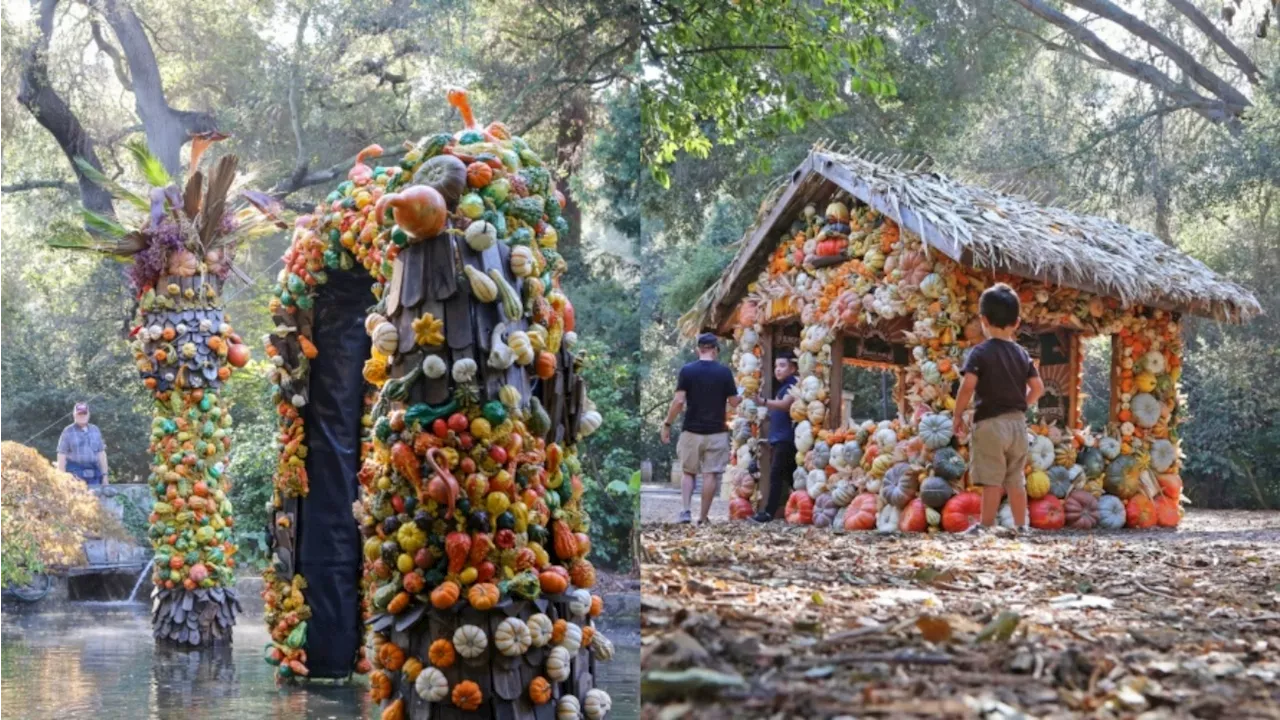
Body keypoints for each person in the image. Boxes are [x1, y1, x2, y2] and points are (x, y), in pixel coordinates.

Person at [952, 284, 1043, 534]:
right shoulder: (1023, 354)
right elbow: (1038, 387)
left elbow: (968, 385)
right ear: (1017, 322)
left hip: (990, 424)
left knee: (992, 480)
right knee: (1016, 480)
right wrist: (1021, 405)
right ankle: (1022, 526)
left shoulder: (979, 352)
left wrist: (958, 414)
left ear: (983, 320)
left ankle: (986, 526)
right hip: (1018, 426)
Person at [661, 333, 740, 524]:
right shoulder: (724, 372)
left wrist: (667, 424)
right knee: (710, 474)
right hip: (717, 432)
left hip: (691, 431)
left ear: (698, 349)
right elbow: (734, 402)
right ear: (715, 350)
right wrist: (744, 396)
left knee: (688, 472)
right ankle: (703, 517)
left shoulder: (687, 371)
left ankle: (685, 512)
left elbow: (679, 401)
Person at [750, 350, 798, 523]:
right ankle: (798, 508)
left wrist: (763, 402)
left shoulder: (795, 384)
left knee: (777, 475)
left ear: (792, 368)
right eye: (776, 366)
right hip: (778, 438)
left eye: (782, 366)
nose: (778, 369)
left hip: (787, 438)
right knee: (790, 476)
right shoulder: (782, 387)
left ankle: (768, 513)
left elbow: (786, 405)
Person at [56, 402, 109, 486]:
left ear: (89, 414)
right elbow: (61, 455)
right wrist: (61, 479)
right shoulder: (67, 431)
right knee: (77, 498)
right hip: (74, 474)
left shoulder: (95, 430)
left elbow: (101, 454)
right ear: (74, 415)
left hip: (94, 473)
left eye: (84, 413)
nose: (82, 416)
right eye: (79, 413)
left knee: (94, 498)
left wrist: (105, 476)